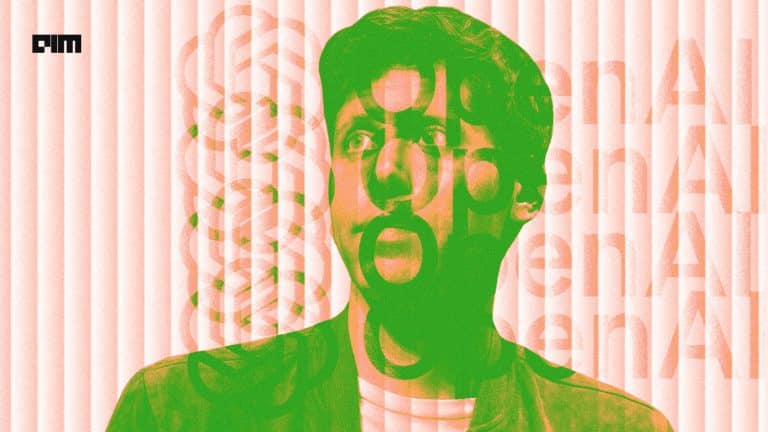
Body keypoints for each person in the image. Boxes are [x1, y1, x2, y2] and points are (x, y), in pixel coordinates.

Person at [108, 6, 673, 431]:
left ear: (522, 191)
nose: (385, 171)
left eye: (432, 138)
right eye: (360, 138)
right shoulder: (182, 410)